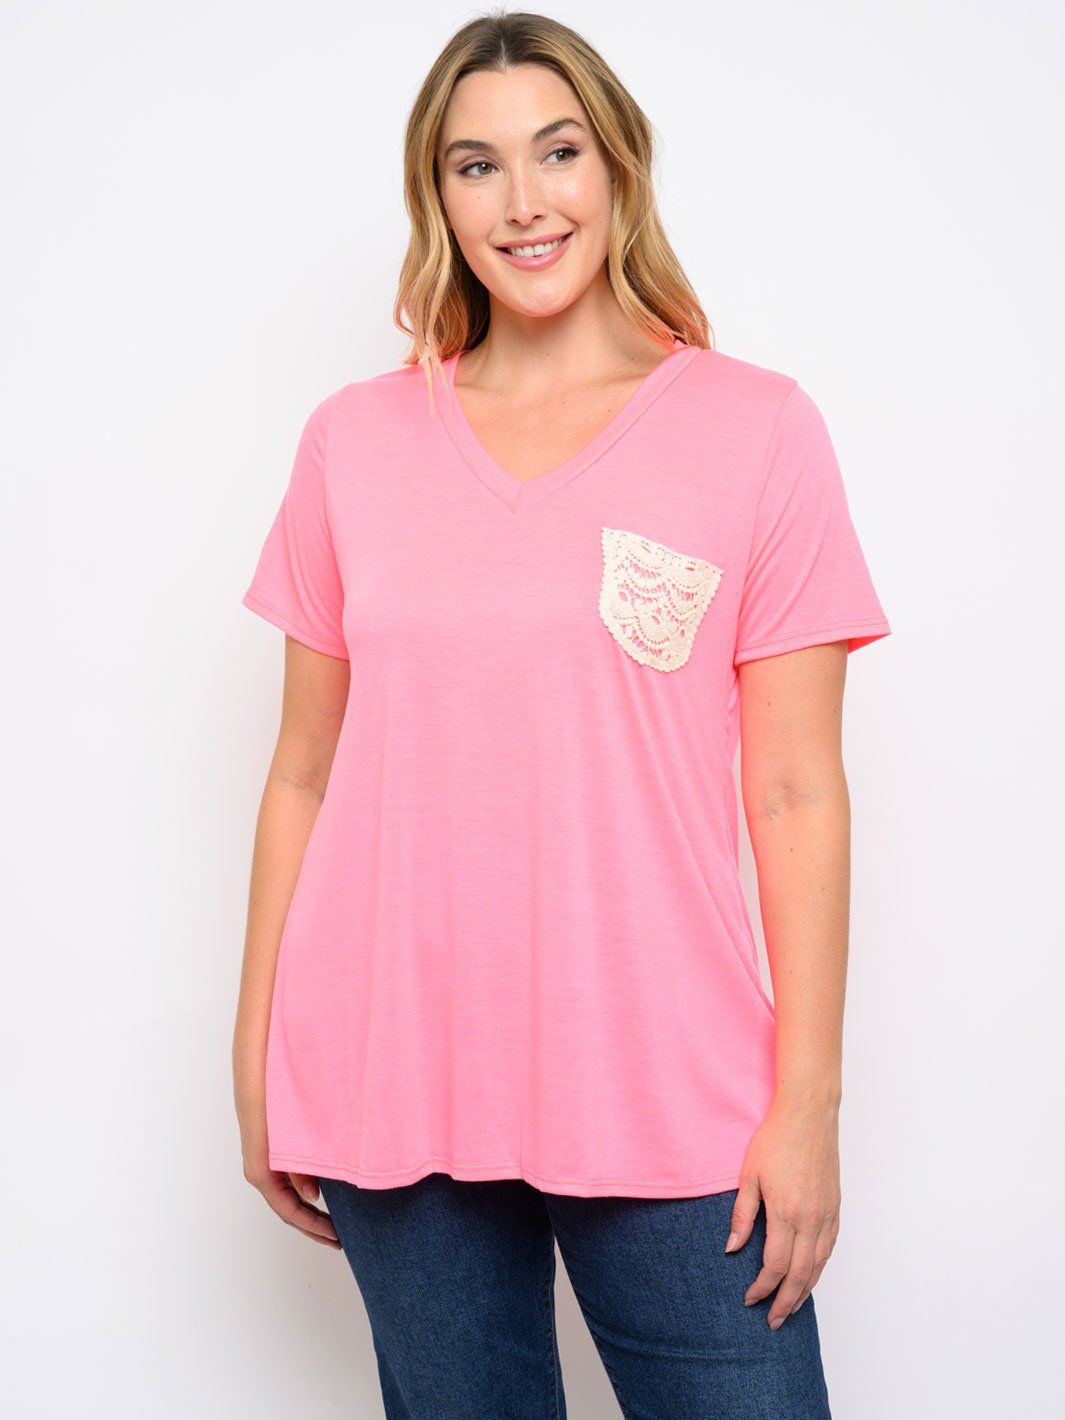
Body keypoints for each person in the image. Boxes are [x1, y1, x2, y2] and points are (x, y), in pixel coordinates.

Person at [232, 11, 892, 1417]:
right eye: (476, 165)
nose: (522, 201)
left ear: (620, 167)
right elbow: (302, 772)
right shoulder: (353, 442)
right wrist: (257, 1056)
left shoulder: (756, 429)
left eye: (558, 152)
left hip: (664, 1071)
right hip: (389, 1059)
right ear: (437, 197)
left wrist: (808, 1101)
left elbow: (794, 792)